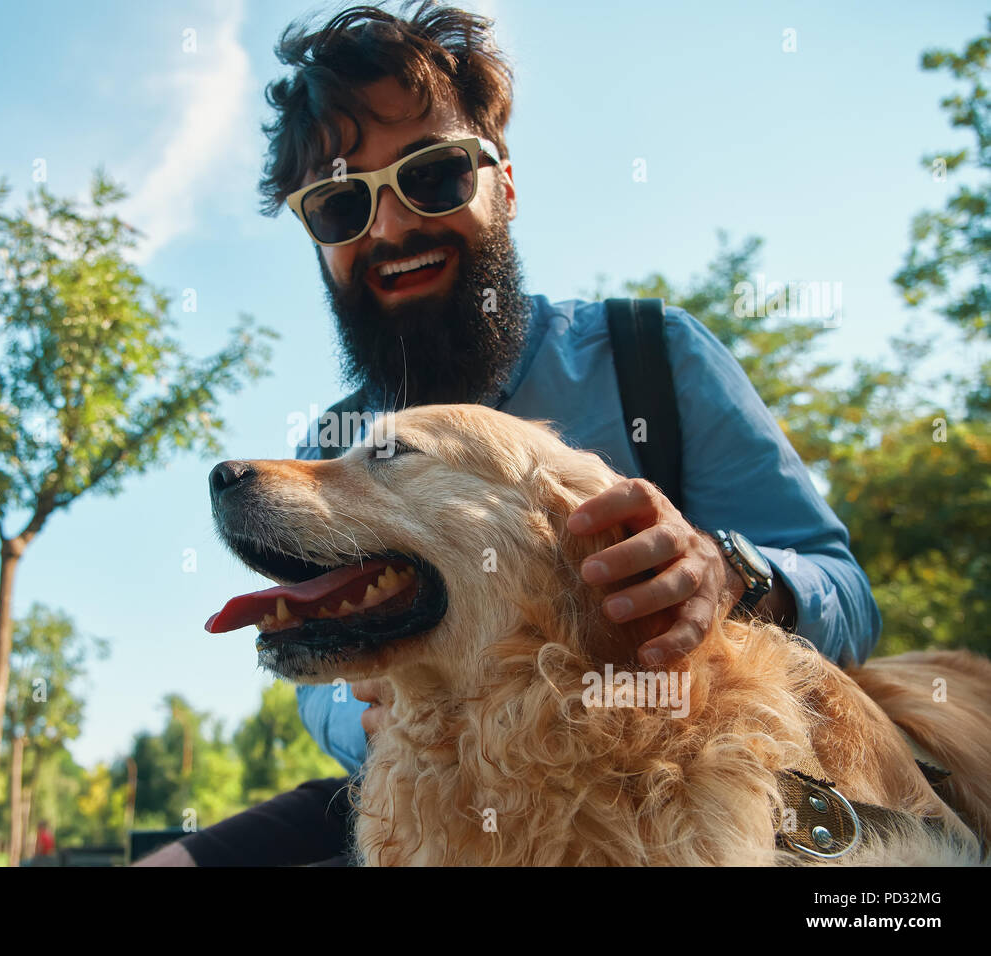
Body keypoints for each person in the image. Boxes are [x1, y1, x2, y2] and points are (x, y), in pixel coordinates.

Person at [135, 1, 881, 867]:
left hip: (685, 784)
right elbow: (321, 693)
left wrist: (730, 573)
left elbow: (847, 595)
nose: (391, 227)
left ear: (506, 185)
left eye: (436, 175)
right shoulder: (333, 441)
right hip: (422, 784)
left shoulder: (651, 357)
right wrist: (374, 694)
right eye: (341, 205)